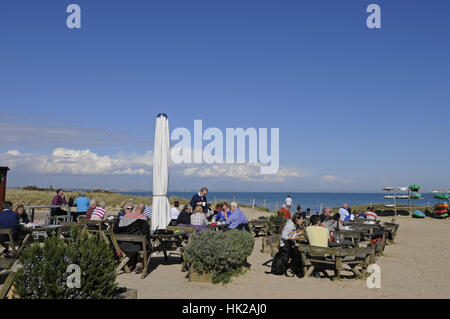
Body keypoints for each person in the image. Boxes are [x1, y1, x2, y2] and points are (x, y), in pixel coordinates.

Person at [113, 204, 150, 273]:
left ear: (135, 209)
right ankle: (140, 264)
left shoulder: (122, 218)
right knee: (148, 246)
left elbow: (115, 231)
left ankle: (130, 265)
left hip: (120, 245)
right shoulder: (142, 219)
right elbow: (146, 233)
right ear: (144, 210)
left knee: (138, 244)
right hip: (135, 247)